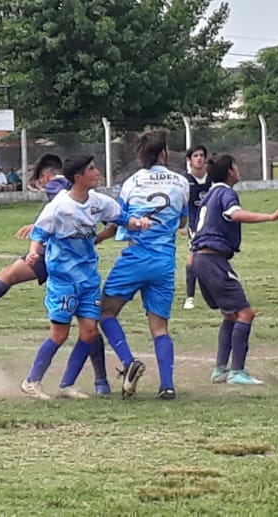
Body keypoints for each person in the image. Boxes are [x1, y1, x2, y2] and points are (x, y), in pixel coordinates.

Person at [0, 154, 112, 396]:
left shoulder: (57, 184)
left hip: (56, 257)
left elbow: (64, 211)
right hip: (68, 261)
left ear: (46, 176)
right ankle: (100, 381)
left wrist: (39, 228)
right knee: (87, 325)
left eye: (39, 182)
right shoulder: (80, 196)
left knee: (10, 276)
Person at [21, 155, 150, 399]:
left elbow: (122, 219)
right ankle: (31, 381)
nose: (97, 172)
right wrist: (33, 253)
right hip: (64, 280)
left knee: (90, 332)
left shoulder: (100, 202)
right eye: (91, 169)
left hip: (88, 279)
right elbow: (39, 234)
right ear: (78, 177)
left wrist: (138, 222)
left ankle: (67, 385)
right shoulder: (59, 206)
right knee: (60, 334)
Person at [86, 129, 189, 400]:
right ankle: (167, 386)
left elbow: (118, 219)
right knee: (160, 327)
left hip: (136, 258)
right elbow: (182, 221)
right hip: (164, 262)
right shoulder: (181, 182)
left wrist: (96, 239)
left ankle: (129, 361)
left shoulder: (131, 183)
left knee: (105, 312)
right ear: (164, 153)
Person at [192, 154, 278, 386]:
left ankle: (220, 369)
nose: (238, 170)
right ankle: (237, 371)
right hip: (213, 260)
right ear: (230, 171)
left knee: (230, 314)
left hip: (200, 260)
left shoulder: (208, 196)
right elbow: (234, 214)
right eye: (235, 166)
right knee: (246, 313)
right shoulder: (226, 193)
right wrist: (270, 217)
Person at [183, 145, 212, 310]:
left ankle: (214, 294)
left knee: (213, 258)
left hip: (213, 224)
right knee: (193, 256)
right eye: (195, 156)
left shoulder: (212, 179)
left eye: (201, 155)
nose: (199, 158)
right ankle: (190, 297)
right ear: (189, 160)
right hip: (195, 225)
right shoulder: (185, 181)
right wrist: (182, 224)